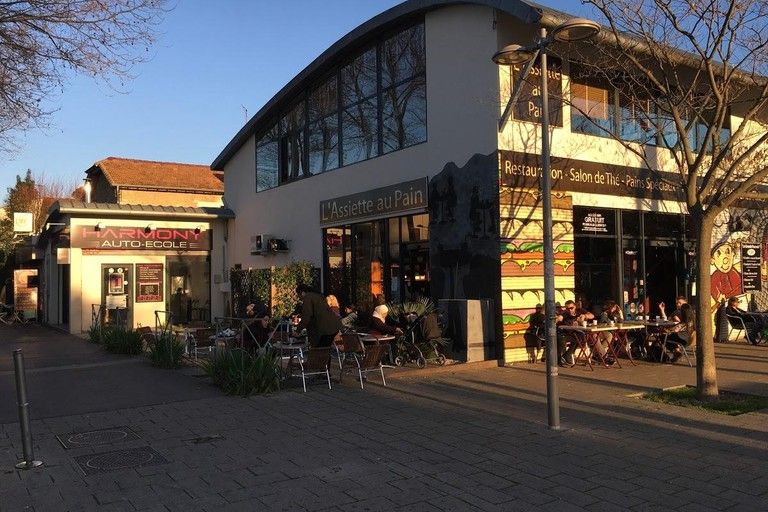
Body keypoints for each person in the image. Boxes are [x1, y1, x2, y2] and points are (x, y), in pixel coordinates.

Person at [556, 299, 594, 366]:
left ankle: (566, 356)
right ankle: (562, 359)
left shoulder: (580, 311)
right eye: (568, 308)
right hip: (566, 333)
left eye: (571, 308)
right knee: (561, 338)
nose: (570, 310)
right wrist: (558, 318)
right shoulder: (565, 313)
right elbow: (560, 317)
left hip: (575, 333)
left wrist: (585, 316)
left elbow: (592, 315)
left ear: (575, 307)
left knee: (580, 336)